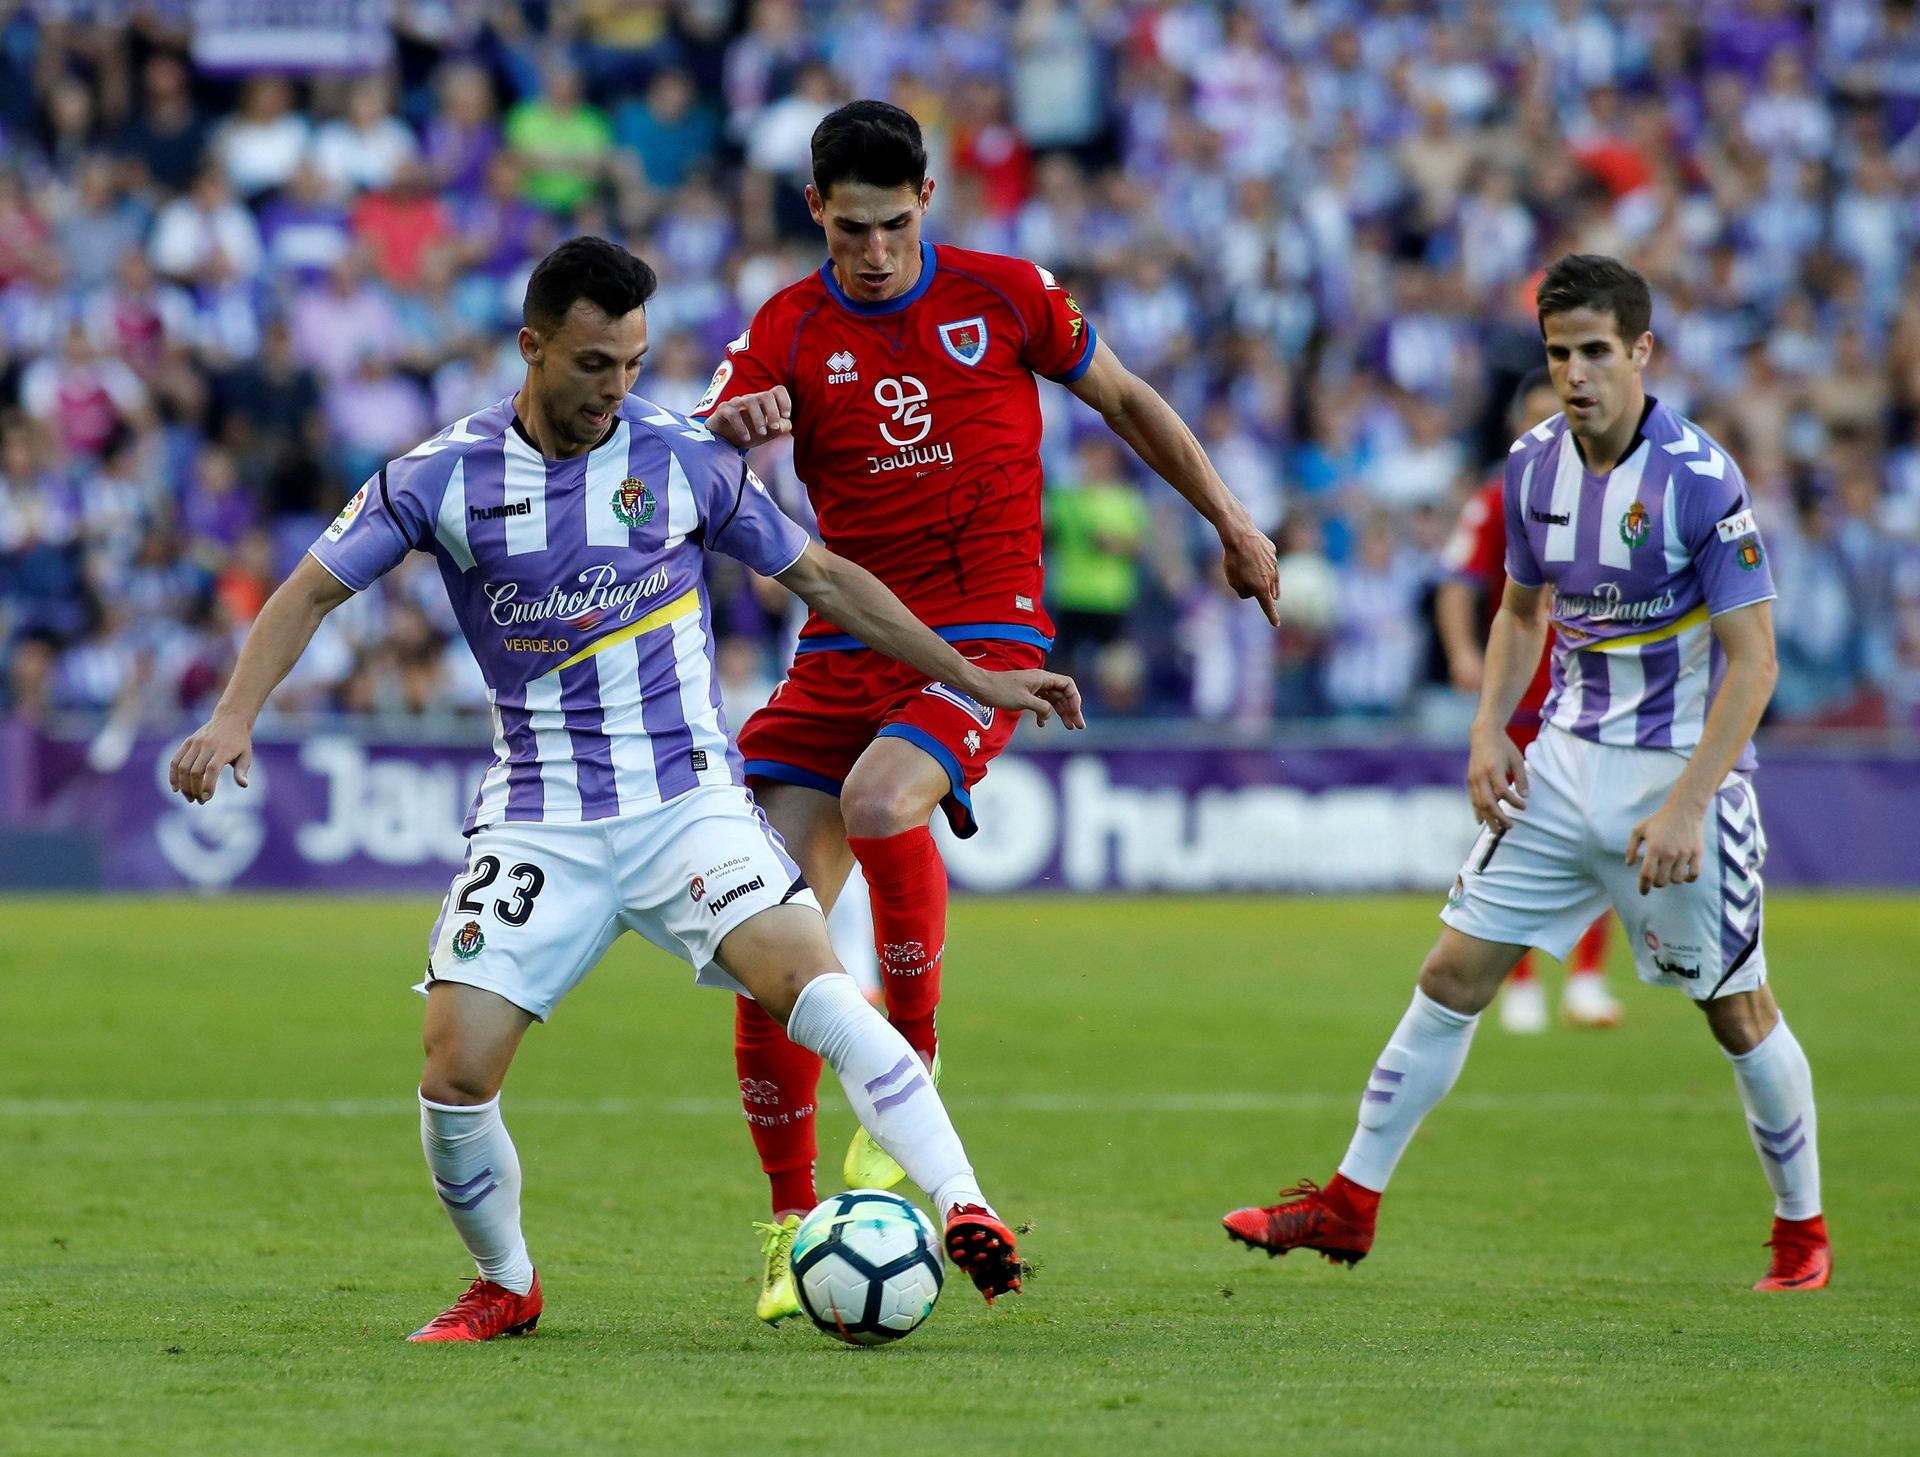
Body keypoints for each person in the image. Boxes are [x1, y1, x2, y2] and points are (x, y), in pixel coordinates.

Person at [167, 237, 1086, 1341]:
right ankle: (507, 1281)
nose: (618, 388)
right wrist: (233, 713)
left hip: (685, 802)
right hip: (539, 815)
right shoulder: (441, 474)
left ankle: (965, 1203)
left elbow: (826, 579)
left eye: (636, 363)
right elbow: (309, 592)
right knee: (455, 1074)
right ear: (533, 347)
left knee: (817, 985)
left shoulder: (683, 458)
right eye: (596, 363)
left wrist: (973, 672)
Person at [694, 100, 1279, 1323]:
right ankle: (790, 1225)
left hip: (984, 623)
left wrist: (1228, 519)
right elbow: (698, 459)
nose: (873, 251)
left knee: (878, 799)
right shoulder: (783, 329)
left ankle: (916, 1052)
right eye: (850, 228)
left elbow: (1126, 400)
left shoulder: (1007, 293)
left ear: (929, 203)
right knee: (769, 941)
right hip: (844, 636)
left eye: (894, 225)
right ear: (816, 212)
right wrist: (732, 432)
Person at [1222, 255, 1831, 1293]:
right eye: (1561, 353)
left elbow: (1756, 659)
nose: (1577, 372)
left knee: (1737, 1010)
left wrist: (1691, 801)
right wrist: (1487, 730)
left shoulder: (1698, 478)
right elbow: (1516, 613)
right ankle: (1350, 1203)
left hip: (1675, 780)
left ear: (1641, 351)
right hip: (1558, 765)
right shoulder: (1533, 465)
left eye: (1597, 350)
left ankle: (1800, 1231)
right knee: (1450, 974)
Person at [1435, 367, 1623, 1033]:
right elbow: (1457, 580)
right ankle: (1516, 982)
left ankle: (1586, 980)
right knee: (1507, 830)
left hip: (1590, 692)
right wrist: (1462, 653)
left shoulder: (1614, 494)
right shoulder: (1499, 494)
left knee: (1600, 831)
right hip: (1520, 691)